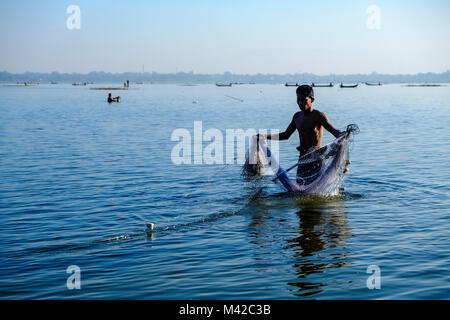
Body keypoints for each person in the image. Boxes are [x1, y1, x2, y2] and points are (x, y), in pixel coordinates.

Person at [257, 85, 348, 185]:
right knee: (300, 187)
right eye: (298, 100)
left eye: (304, 100)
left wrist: (342, 134)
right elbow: (286, 135)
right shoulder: (297, 116)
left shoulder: (318, 116)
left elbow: (334, 131)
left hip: (315, 158)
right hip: (302, 158)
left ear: (312, 100)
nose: (300, 103)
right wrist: (265, 136)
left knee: (315, 185)